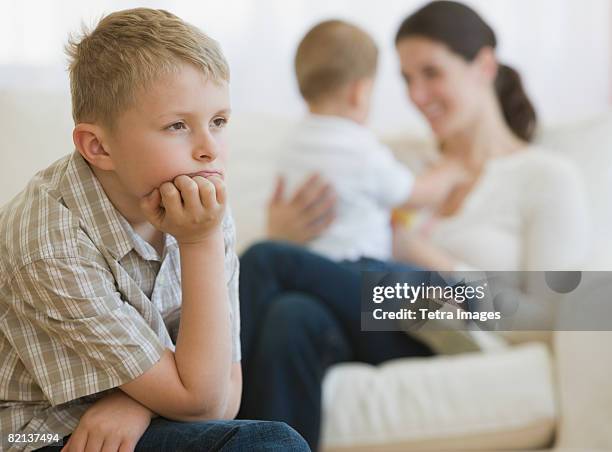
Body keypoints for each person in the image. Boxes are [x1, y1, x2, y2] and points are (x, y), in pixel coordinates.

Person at [238, 1, 590, 450]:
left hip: (444, 325)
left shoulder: (545, 176)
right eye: (405, 79)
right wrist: (286, 233)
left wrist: (427, 258)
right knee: (291, 317)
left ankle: (195, 396)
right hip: (368, 319)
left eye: (431, 73)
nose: (416, 96)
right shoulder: (394, 159)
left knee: (266, 261)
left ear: (483, 65)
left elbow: (553, 318)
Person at [0, 8, 309, 452]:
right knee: (271, 427)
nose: (209, 150)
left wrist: (140, 402)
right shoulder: (49, 245)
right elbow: (207, 401)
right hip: (43, 435)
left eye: (219, 122)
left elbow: (223, 396)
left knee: (296, 317)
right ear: (98, 147)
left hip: (142, 416)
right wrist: (200, 242)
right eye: (177, 126)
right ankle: (439, 302)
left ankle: (440, 303)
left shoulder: (196, 202)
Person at [279, 19, 466, 262]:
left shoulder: (291, 144)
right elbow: (413, 194)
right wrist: (450, 172)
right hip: (355, 267)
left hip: (301, 266)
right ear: (359, 92)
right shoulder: (360, 148)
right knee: (410, 280)